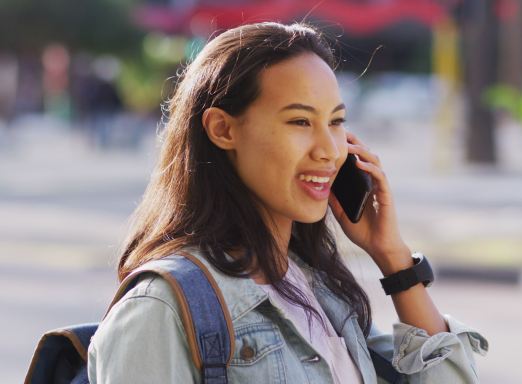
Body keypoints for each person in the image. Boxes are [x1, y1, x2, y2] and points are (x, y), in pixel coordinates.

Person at [87, 21, 488, 383]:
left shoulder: (321, 293)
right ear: (222, 129)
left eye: (335, 122)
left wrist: (394, 260)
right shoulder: (161, 309)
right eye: (300, 121)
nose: (330, 151)